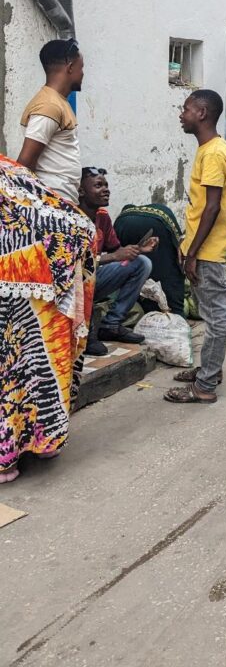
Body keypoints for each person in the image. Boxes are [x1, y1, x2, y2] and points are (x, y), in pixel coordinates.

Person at [0, 155, 96, 483]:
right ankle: (44, 440)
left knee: (11, 373)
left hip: (19, 283)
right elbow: (77, 224)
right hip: (44, 284)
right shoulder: (13, 171)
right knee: (35, 367)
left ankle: (6, 458)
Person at [164, 90, 226, 405]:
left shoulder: (215, 153)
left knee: (216, 317)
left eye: (187, 109)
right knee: (209, 314)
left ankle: (205, 386)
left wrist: (193, 253)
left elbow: (212, 208)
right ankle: (209, 369)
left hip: (207, 252)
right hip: (199, 249)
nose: (182, 114)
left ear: (202, 113)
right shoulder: (208, 149)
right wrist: (186, 245)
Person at [79, 169, 157, 353]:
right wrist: (114, 257)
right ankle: (85, 333)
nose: (106, 189)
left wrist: (139, 249)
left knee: (142, 263)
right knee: (81, 276)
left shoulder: (102, 216)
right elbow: (74, 264)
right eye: (98, 185)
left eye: (106, 185)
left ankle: (111, 325)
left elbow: (115, 251)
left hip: (95, 277)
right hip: (75, 282)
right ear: (81, 191)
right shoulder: (72, 218)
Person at [17, 38, 84, 203]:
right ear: (70, 67)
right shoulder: (48, 106)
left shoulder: (58, 102)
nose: (83, 73)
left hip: (61, 199)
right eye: (81, 67)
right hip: (52, 201)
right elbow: (24, 163)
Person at [114, 202, 186, 314]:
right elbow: (179, 254)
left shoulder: (125, 213)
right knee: (169, 271)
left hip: (122, 223)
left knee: (130, 267)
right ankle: (174, 313)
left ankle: (133, 311)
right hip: (156, 224)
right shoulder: (164, 214)